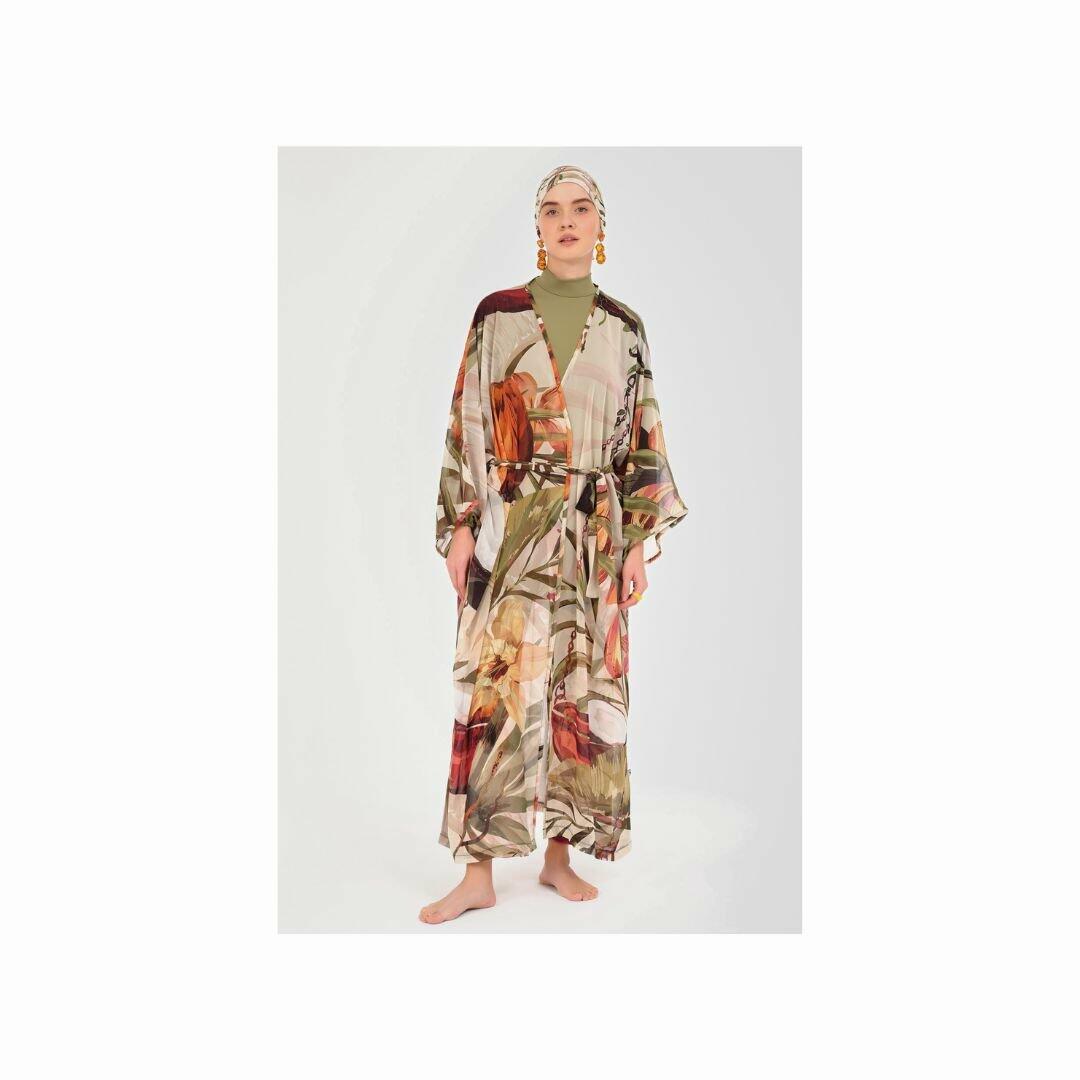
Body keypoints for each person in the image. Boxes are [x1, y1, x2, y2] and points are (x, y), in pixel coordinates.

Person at [420, 165, 689, 925]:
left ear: (599, 226)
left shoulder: (625, 328)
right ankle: (477, 872)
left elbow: (641, 439)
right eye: (551, 210)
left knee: (582, 689)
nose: (566, 221)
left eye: (580, 209)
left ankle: (559, 859)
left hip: (594, 537)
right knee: (493, 693)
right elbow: (467, 421)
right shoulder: (498, 316)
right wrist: (460, 524)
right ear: (537, 228)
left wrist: (633, 545)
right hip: (512, 528)